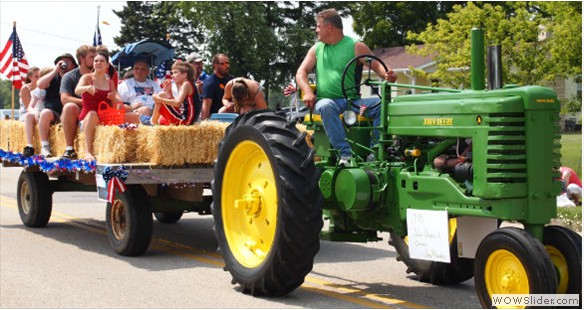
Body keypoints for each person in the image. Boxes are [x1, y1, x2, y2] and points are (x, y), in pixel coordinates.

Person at [296, 8, 397, 166]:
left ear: (329, 27)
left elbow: (377, 65)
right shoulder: (316, 49)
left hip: (352, 102)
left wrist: (387, 74)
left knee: (381, 106)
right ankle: (345, 154)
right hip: (327, 101)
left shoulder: (355, 46)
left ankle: (376, 151)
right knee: (326, 105)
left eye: (318, 26)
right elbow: (301, 72)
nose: (316, 30)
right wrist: (308, 91)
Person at [74, 52, 139, 161]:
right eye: (96, 61)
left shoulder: (109, 82)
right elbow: (77, 90)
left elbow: (118, 101)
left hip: (105, 117)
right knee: (92, 114)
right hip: (88, 118)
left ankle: (135, 150)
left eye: (102, 61)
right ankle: (88, 152)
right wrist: (87, 88)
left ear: (107, 65)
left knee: (134, 117)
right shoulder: (87, 78)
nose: (98, 63)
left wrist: (114, 98)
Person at [22, 53, 78, 157]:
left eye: (67, 61)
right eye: (60, 62)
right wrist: (55, 71)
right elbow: (40, 84)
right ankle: (45, 147)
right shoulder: (53, 77)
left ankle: (69, 148)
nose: (63, 64)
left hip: (70, 111)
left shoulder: (75, 76)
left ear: (74, 65)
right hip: (54, 111)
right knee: (45, 113)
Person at [60, 45, 97, 159]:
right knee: (69, 107)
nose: (96, 60)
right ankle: (70, 148)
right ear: (81, 59)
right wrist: (86, 102)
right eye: (92, 57)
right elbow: (64, 99)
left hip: (99, 110)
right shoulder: (69, 76)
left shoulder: (103, 75)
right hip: (81, 111)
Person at [151, 61, 198, 126]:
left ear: (184, 74)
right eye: (172, 73)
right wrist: (169, 92)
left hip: (185, 121)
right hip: (185, 117)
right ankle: (155, 122)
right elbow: (180, 104)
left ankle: (152, 123)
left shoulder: (186, 84)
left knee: (160, 96)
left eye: (175, 73)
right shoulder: (185, 84)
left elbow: (177, 103)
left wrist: (159, 99)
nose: (172, 76)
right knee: (163, 95)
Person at [117, 59, 162, 123]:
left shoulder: (154, 84)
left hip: (155, 112)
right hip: (136, 113)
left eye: (142, 69)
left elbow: (162, 97)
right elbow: (118, 106)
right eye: (136, 68)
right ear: (133, 70)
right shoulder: (125, 85)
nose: (139, 71)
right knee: (145, 110)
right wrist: (131, 107)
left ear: (148, 71)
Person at [200, 53, 233, 120]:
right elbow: (205, 107)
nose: (227, 66)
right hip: (217, 119)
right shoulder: (210, 83)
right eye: (223, 64)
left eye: (228, 63)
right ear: (215, 65)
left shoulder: (231, 80)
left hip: (233, 116)